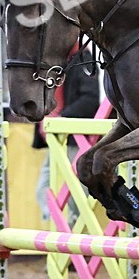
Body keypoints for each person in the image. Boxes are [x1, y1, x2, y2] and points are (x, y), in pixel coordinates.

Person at [34, 44, 100, 226]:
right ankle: (61, 223)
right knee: (45, 186)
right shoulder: (56, 61)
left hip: (74, 137)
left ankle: (69, 224)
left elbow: (90, 99)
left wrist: (60, 118)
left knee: (72, 189)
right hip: (60, 135)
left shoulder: (84, 60)